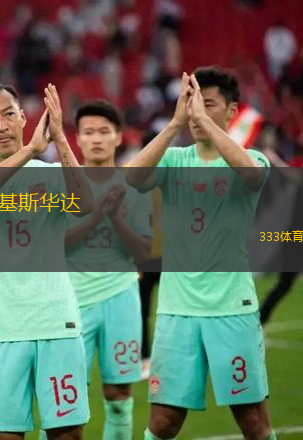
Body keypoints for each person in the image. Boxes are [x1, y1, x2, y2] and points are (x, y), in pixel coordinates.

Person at [126, 67, 276, 440]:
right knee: (163, 423)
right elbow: (131, 178)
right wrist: (174, 124)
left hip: (231, 309)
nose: (197, 112)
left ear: (232, 111)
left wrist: (203, 122)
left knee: (253, 422)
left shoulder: (252, 159)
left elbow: (252, 177)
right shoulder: (174, 160)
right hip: (177, 312)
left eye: (208, 104)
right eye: (192, 103)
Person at [0, 82, 93, 440]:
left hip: (56, 322)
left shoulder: (51, 174)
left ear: (24, 118)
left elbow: (85, 204)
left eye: (8, 115)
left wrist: (60, 137)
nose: (1, 126)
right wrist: (30, 151)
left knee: (67, 434)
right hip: (1, 328)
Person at [64, 100, 152, 439]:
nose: (97, 139)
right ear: (78, 139)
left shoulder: (135, 186)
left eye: (104, 131)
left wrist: (116, 217)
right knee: (66, 399)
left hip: (121, 297)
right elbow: (54, 246)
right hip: (73, 301)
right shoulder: (63, 185)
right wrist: (95, 218)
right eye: (89, 132)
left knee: (119, 396)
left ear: (118, 137)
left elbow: (143, 252)